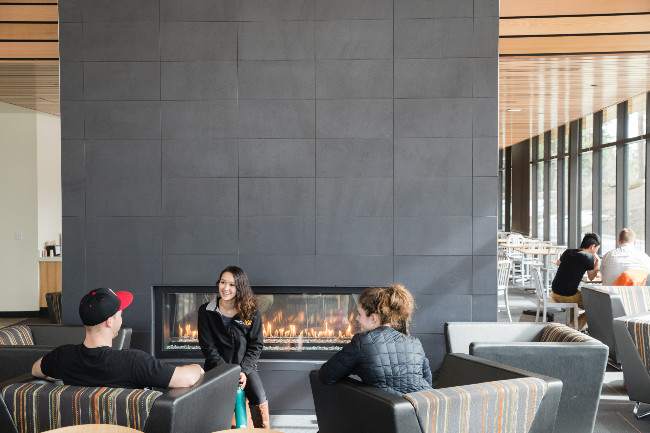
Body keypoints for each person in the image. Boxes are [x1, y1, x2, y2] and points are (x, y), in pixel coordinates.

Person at [32, 288, 204, 389]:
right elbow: (186, 379)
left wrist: (66, 371)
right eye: (120, 314)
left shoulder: (63, 357)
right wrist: (198, 367)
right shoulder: (133, 362)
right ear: (109, 321)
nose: (121, 319)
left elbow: (35, 370)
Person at [318, 284, 432, 395]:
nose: (356, 319)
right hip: (425, 407)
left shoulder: (363, 342)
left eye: (359, 314)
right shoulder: (414, 342)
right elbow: (427, 381)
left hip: (387, 410)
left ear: (373, 318)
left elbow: (326, 375)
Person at [197, 266, 269, 429]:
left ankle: (263, 430)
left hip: (245, 368)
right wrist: (228, 372)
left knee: (258, 395)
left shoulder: (252, 311)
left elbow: (256, 345)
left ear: (240, 287)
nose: (226, 288)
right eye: (223, 282)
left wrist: (243, 371)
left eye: (232, 284)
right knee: (215, 402)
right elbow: (208, 347)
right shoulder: (206, 311)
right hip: (216, 368)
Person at [551, 232, 601, 330]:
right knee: (595, 307)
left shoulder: (568, 251)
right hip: (567, 296)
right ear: (592, 246)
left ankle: (572, 325)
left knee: (576, 295)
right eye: (597, 249)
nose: (596, 251)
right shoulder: (588, 257)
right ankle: (574, 325)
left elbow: (558, 263)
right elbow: (591, 277)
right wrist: (598, 261)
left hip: (554, 293)